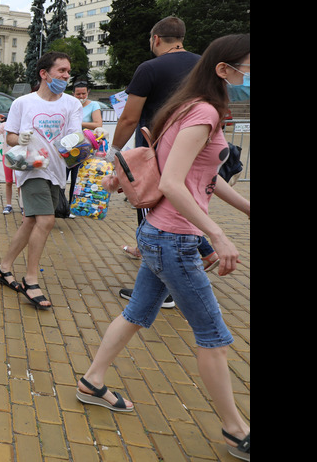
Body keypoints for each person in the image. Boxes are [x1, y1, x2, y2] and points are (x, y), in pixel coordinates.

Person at [76, 34, 250, 462]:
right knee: (213, 336)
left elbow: (203, 176)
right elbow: (173, 182)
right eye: (247, 66)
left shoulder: (189, 107)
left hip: (160, 234)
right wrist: (219, 234)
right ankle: (236, 430)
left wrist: (246, 209)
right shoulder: (203, 111)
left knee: (137, 312)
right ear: (223, 70)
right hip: (172, 239)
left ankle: (92, 382)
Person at [111, 17, 218, 305]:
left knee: (154, 220)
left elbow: (130, 117)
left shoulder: (149, 68)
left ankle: (170, 289)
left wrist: (115, 150)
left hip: (155, 159)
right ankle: (156, 288)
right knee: (184, 212)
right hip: (197, 152)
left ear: (156, 39)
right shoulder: (204, 65)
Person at [0, 52, 81, 309]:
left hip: (56, 170)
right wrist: (19, 138)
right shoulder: (23, 103)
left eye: (68, 71)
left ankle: (4, 267)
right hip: (31, 169)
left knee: (31, 221)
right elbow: (9, 137)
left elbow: (74, 138)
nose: (66, 76)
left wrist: (88, 140)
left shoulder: (72, 104)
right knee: (46, 220)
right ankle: (31, 280)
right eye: (61, 71)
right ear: (44, 73)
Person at [66, 81, 103, 208]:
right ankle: (59, 205)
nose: (81, 96)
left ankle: (73, 205)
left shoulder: (94, 105)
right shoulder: (68, 104)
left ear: (88, 93)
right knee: (62, 177)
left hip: (84, 148)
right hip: (67, 146)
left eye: (83, 93)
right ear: (73, 94)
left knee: (78, 179)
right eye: (78, 94)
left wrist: (78, 123)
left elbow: (98, 124)